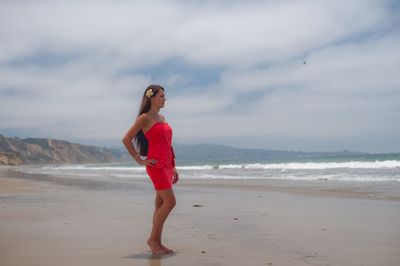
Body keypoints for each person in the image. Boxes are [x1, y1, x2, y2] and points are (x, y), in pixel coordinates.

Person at [122, 84, 179, 255]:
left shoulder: (162, 118)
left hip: (167, 165)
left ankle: (158, 243)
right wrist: (139, 159)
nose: (164, 99)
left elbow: (168, 144)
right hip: (156, 166)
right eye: (161, 96)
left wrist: (174, 166)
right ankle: (152, 240)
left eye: (164, 95)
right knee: (170, 202)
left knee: (160, 203)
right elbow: (126, 139)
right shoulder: (144, 118)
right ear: (151, 98)